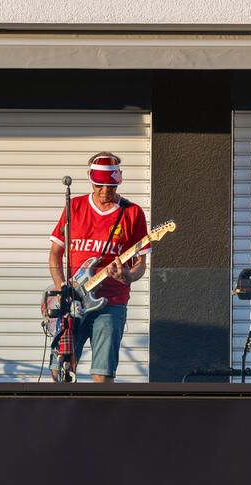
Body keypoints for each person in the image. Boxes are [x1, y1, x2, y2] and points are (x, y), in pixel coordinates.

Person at [48, 152, 150, 383]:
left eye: (111, 186)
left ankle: (99, 416)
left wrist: (126, 275)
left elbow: (141, 264)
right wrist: (62, 287)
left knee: (102, 375)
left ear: (119, 181)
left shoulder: (132, 213)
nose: (105, 191)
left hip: (111, 304)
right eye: (100, 185)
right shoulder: (74, 207)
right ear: (90, 179)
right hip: (73, 301)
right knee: (60, 368)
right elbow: (55, 254)